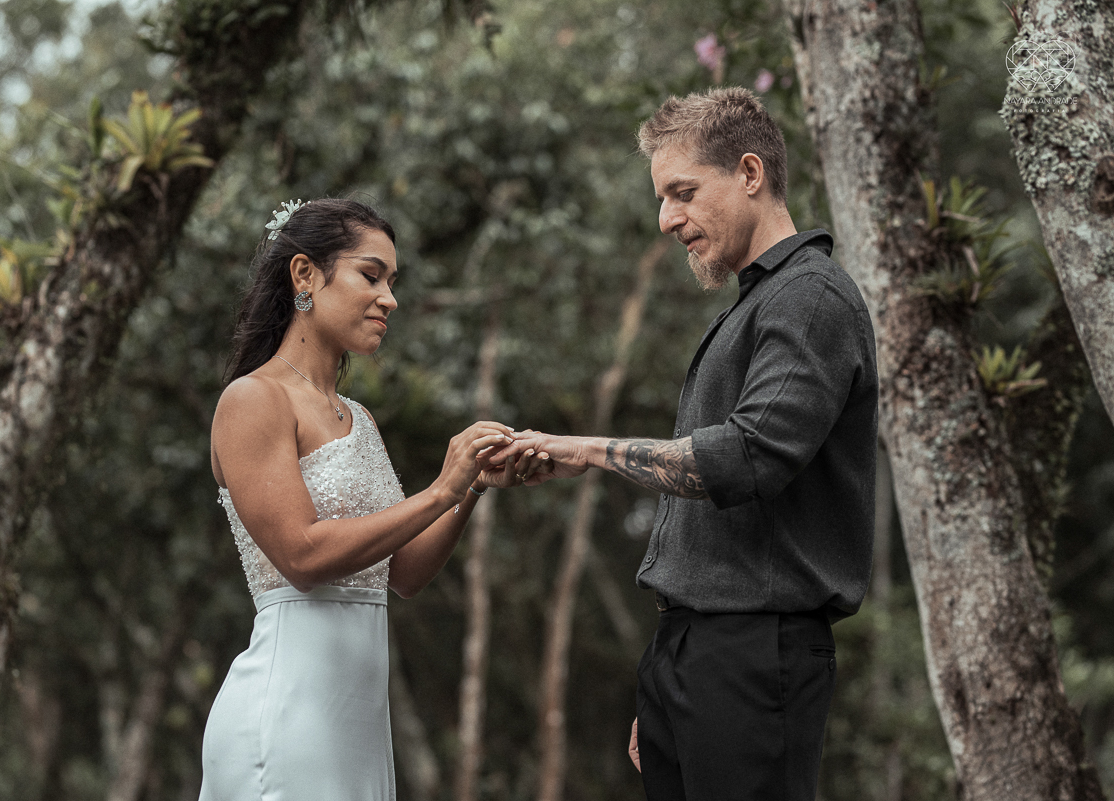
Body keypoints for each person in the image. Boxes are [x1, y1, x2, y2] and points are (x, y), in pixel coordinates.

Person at [486, 88, 879, 800]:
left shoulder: (813, 297)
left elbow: (749, 455)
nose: (667, 219)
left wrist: (584, 450)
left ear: (751, 174)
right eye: (664, 198)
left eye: (683, 193)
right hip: (692, 654)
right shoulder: (754, 306)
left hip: (756, 659)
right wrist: (670, 668)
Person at [199, 198, 548, 801]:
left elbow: (405, 574)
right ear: (305, 274)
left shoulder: (357, 418)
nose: (390, 299)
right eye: (371, 275)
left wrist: (468, 490)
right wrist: (440, 485)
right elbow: (302, 557)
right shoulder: (253, 401)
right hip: (287, 715)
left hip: (356, 722)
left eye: (392, 281)